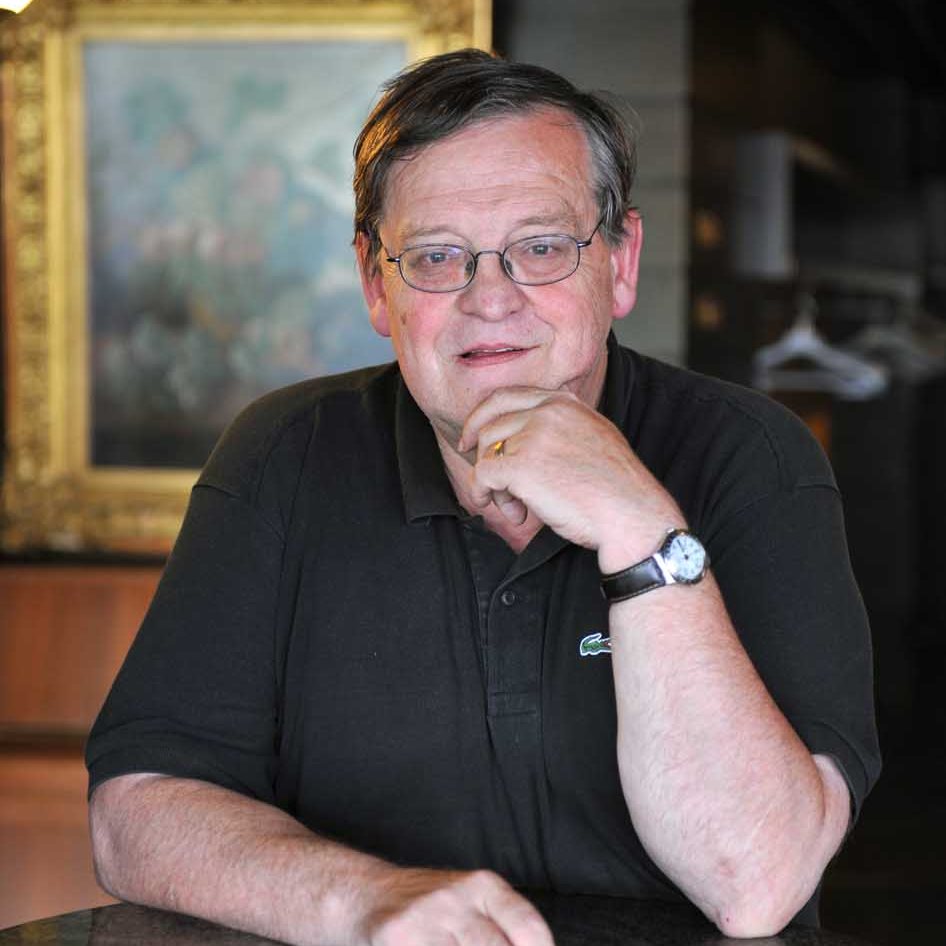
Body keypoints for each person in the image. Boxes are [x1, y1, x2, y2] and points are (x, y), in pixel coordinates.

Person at [86, 49, 881, 946]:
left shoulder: (752, 455)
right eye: (437, 257)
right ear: (375, 284)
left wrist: (640, 529)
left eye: (541, 248)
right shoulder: (283, 455)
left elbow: (756, 882)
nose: (490, 299)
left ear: (620, 263)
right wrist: (361, 900)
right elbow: (135, 811)